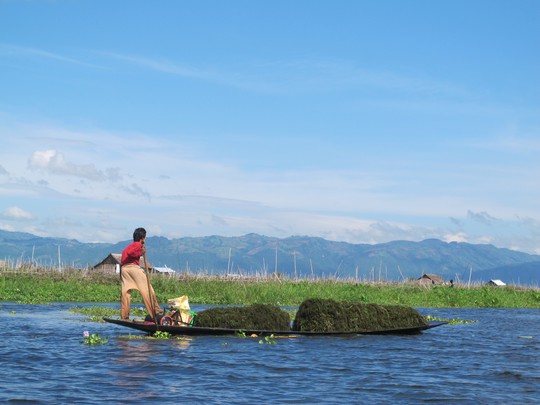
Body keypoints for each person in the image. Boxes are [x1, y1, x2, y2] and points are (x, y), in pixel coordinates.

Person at [120, 227, 163, 320]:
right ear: (142, 237)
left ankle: (124, 315)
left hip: (124, 269)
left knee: (126, 292)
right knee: (147, 289)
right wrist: (141, 252)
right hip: (132, 268)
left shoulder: (129, 246)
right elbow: (132, 253)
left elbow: (126, 255)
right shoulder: (137, 245)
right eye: (145, 237)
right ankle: (156, 311)